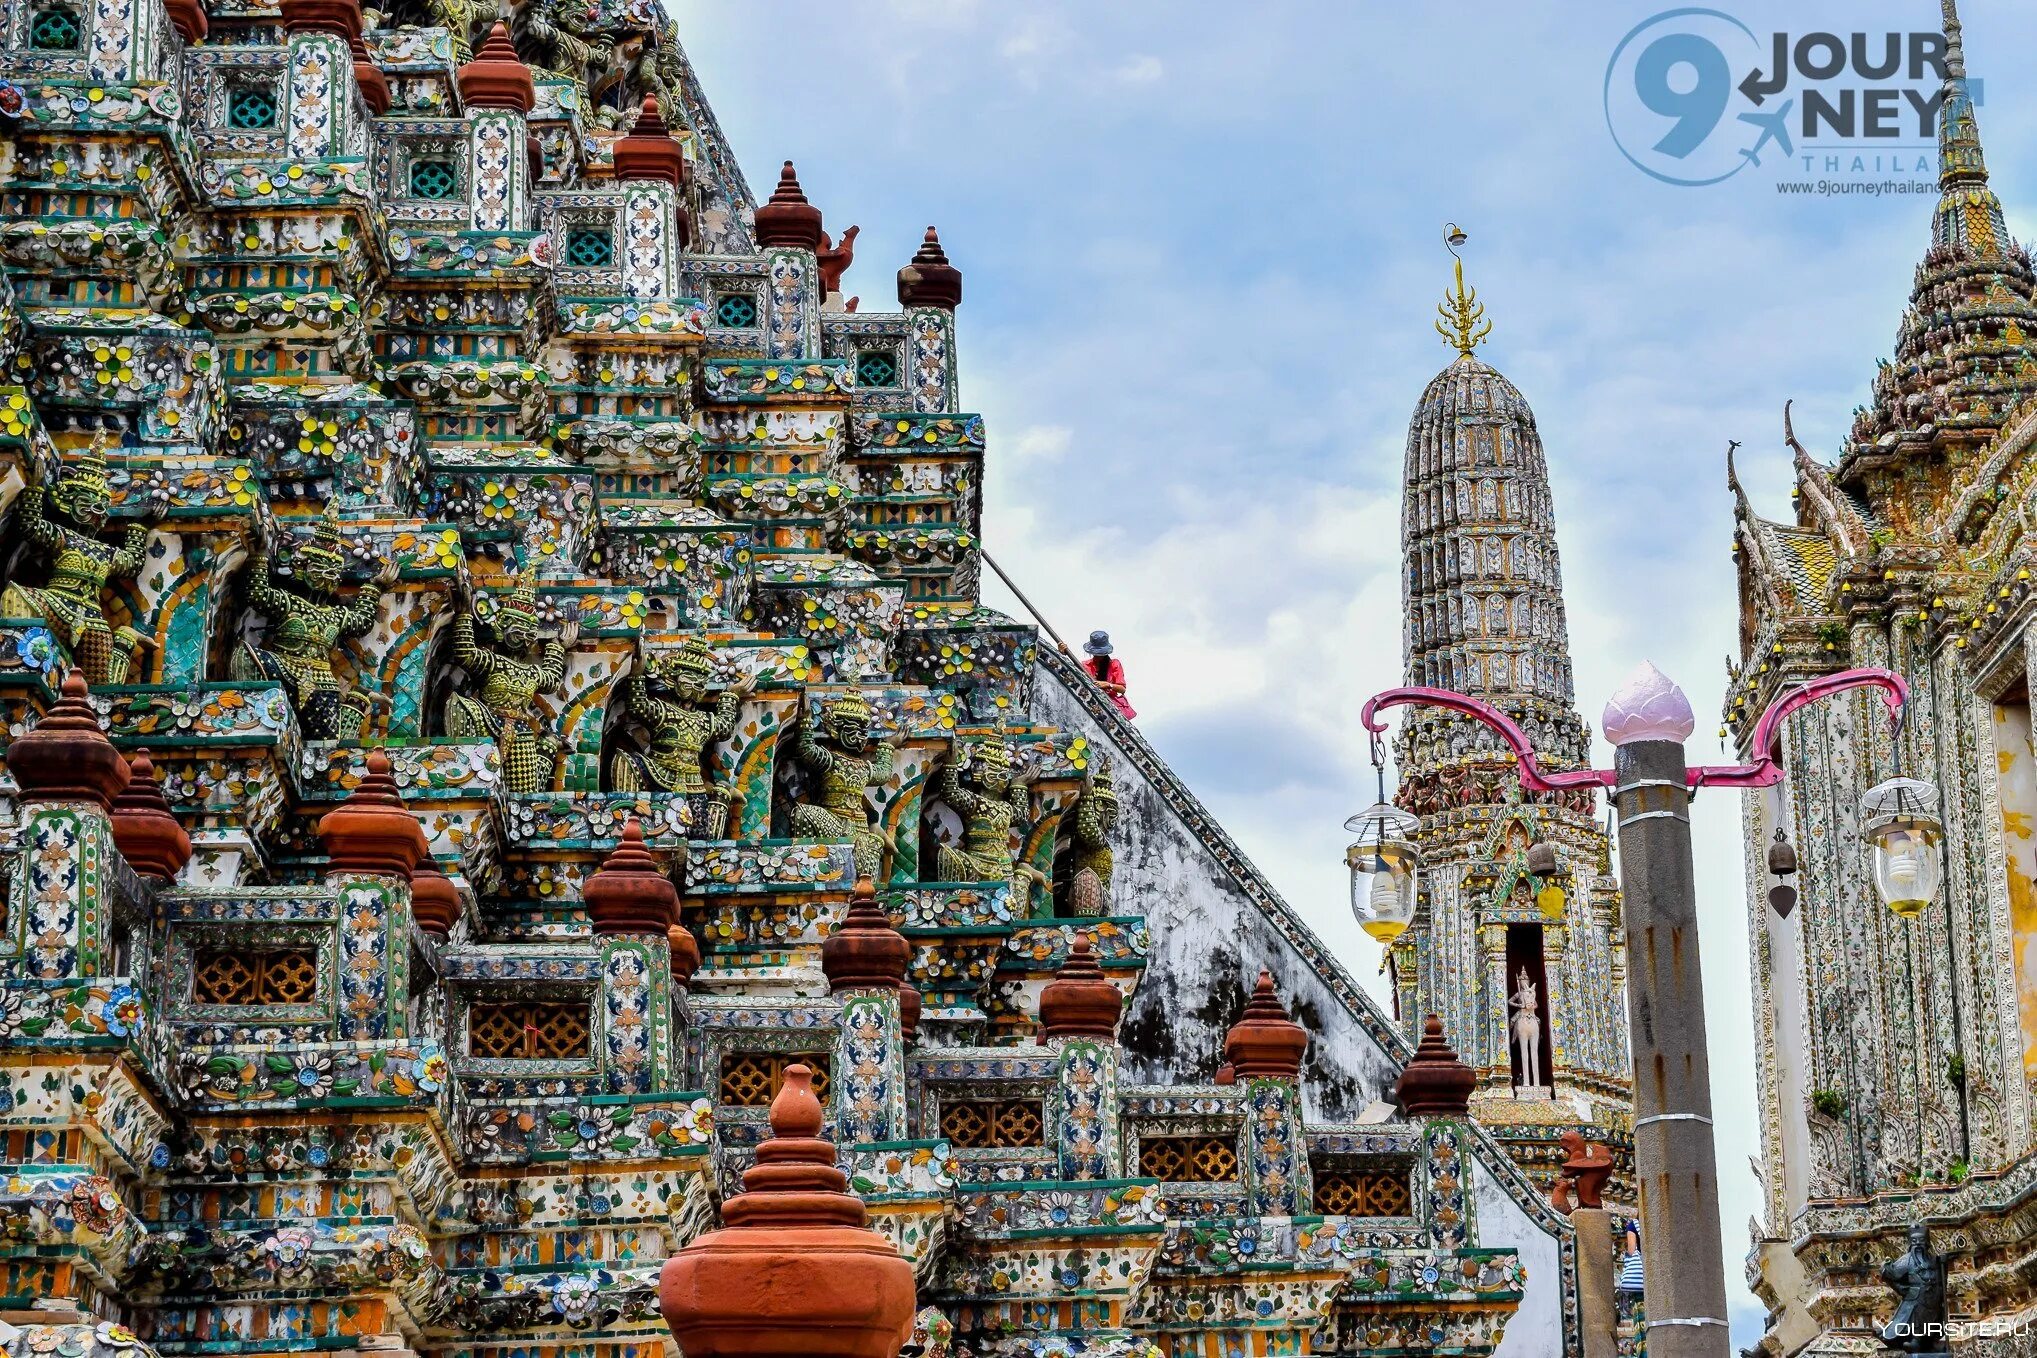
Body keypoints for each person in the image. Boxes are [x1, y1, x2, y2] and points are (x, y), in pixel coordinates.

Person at [1079, 630, 1136, 719]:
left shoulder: (1114, 664)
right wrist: (1062, 653)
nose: (1098, 656)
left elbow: (1122, 689)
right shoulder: (1084, 665)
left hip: (1111, 705)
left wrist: (1108, 685)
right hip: (1091, 703)